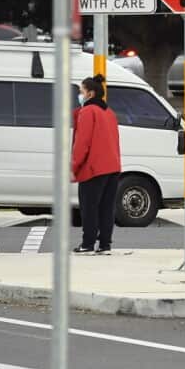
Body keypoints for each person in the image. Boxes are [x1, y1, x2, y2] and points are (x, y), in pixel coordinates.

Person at [72, 74, 121, 255]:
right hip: (112, 167)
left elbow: (82, 143)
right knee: (106, 208)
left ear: (90, 93)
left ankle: (87, 243)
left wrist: (74, 167)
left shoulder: (88, 112)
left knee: (89, 207)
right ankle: (105, 245)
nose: (80, 95)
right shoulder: (109, 112)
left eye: (81, 91)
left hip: (93, 168)